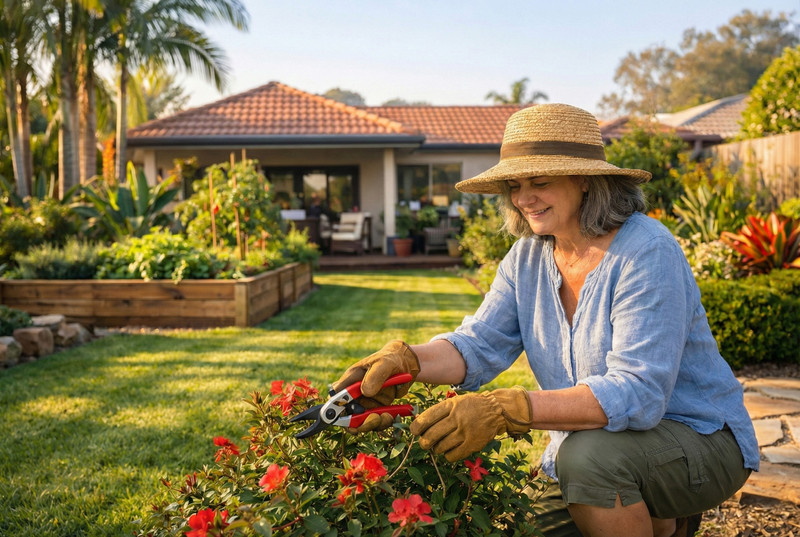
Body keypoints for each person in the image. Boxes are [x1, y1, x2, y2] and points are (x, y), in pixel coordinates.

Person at [333, 104, 759, 537]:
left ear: (587, 182)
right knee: (530, 527)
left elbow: (639, 392)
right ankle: (652, 515)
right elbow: (478, 344)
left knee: (590, 461)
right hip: (594, 450)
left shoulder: (647, 252)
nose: (523, 198)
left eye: (540, 182)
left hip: (699, 438)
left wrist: (509, 409)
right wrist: (408, 361)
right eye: (515, 185)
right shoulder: (528, 258)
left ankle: (664, 517)